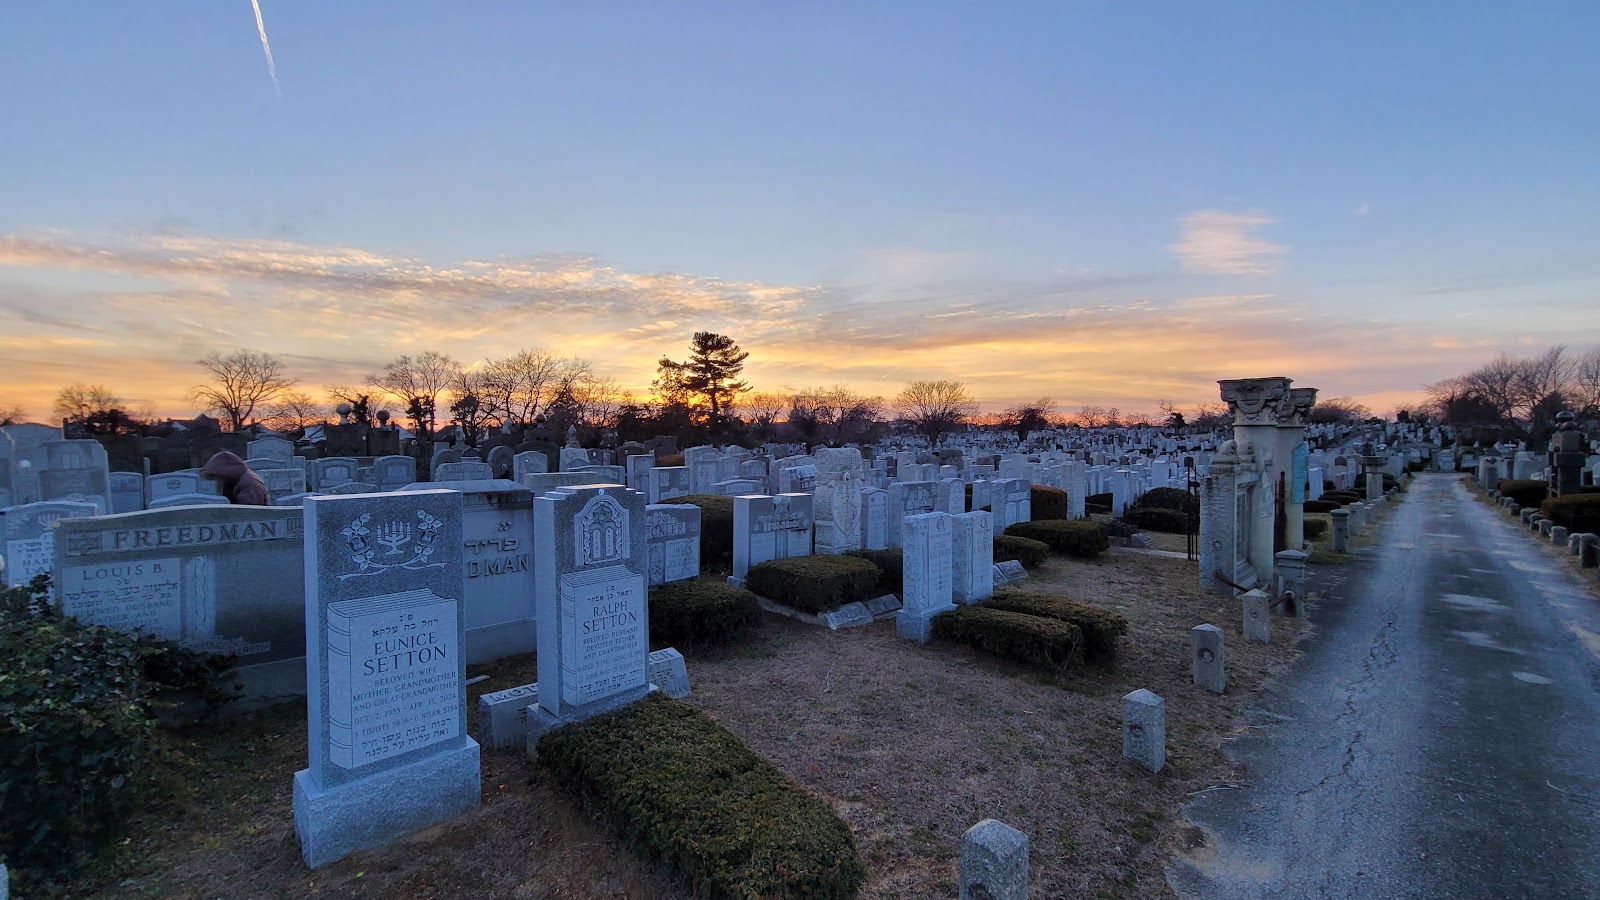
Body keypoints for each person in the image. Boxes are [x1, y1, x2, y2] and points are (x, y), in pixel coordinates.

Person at [199, 451, 271, 505]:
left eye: (216, 476)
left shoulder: (250, 484)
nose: (217, 480)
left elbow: (248, 513)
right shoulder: (232, 481)